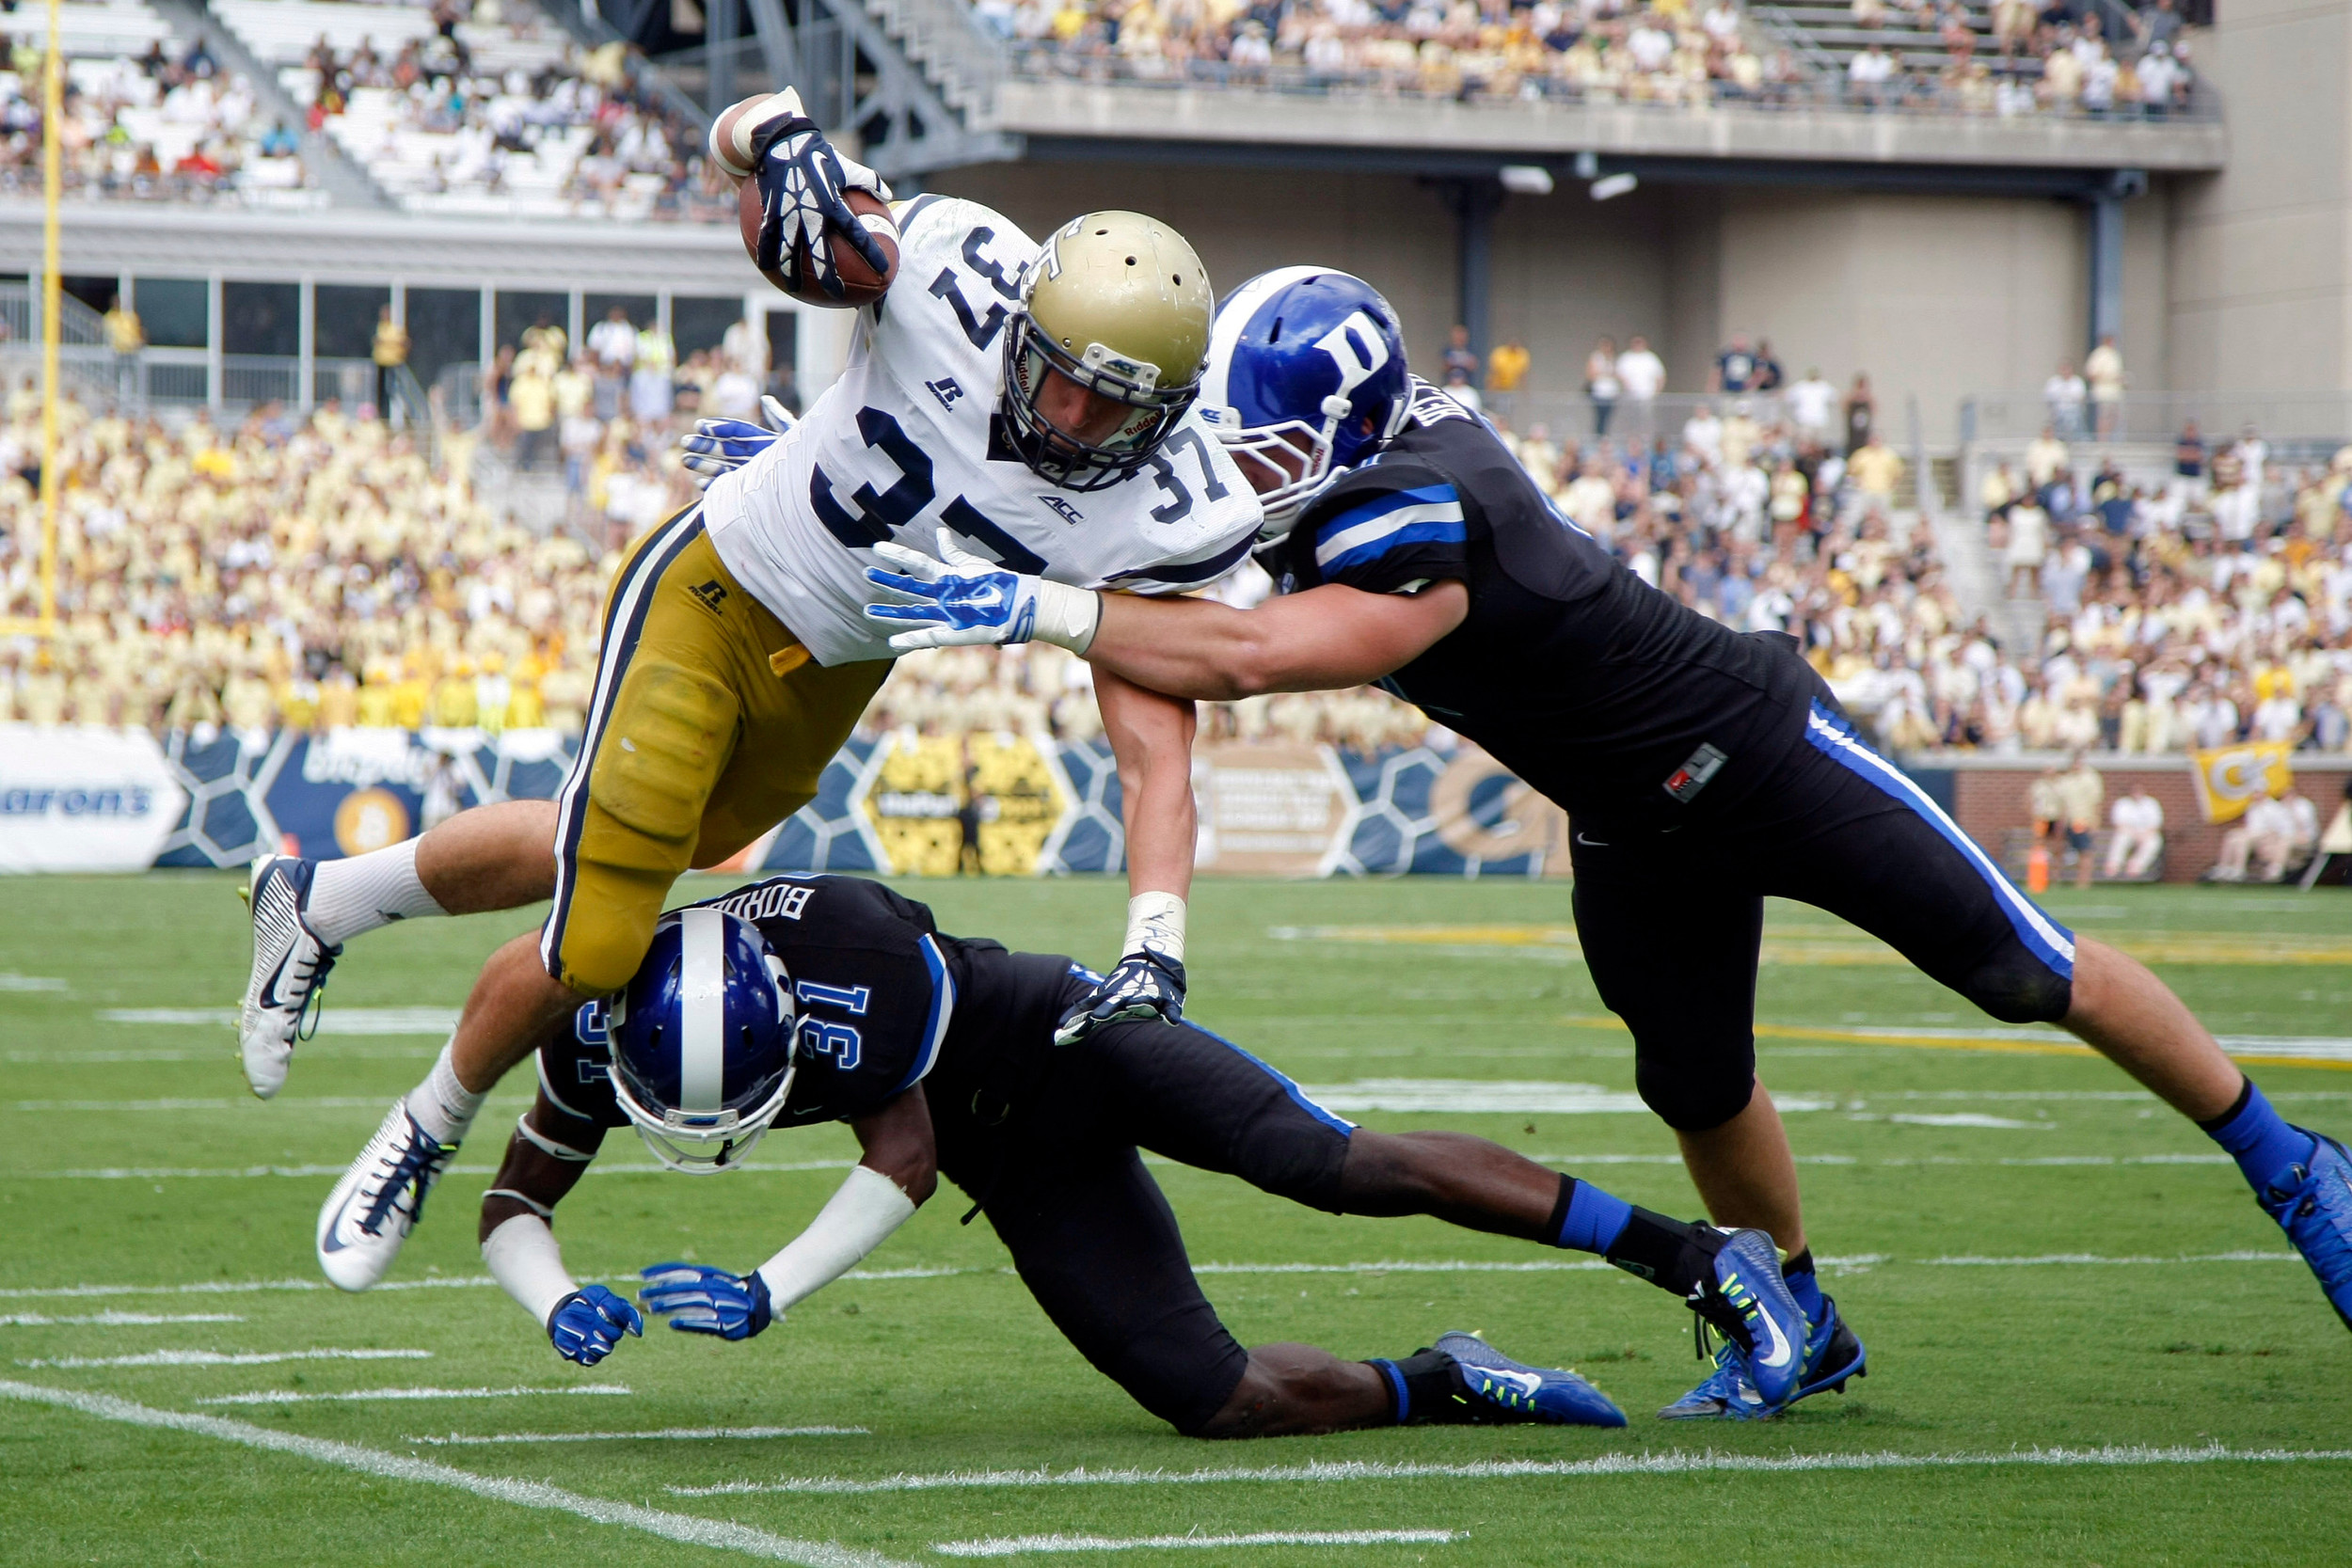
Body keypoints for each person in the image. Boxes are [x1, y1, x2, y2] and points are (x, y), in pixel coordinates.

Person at [859, 266, 2352, 1395]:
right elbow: (1172, 557)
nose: (1242, 468)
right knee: (1694, 1078)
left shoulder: (1421, 511)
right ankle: (1802, 1312)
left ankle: (2293, 1163)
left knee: (2020, 965)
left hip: (1750, 743)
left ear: (1347, 431)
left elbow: (1248, 653)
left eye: (1270, 445)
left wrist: (1032, 606)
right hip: (1630, 815)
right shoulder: (1340, 456)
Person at [262, 95, 1264, 1294]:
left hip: (838, 662)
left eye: (1115, 407)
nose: (1074, 419)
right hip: (719, 587)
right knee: (601, 934)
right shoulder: (949, 266)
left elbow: (1157, 736)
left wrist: (1157, 935)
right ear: (1022, 327)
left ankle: (319, 900)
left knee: (652, 842)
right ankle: (424, 1124)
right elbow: (750, 138)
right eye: (1059, 381)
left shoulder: (1176, 503)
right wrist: (780, 146)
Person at [466, 876, 1816, 1427]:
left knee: (1327, 1163)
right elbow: (513, 1196)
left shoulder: (852, 955)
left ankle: (1699, 1255)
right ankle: (1448, 1380)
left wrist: (768, 1286)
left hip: (1065, 1038)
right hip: (1017, 1157)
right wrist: (551, 1292)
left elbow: (903, 1155)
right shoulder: (591, 1017)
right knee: (1208, 1395)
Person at [2053, 749, 2104, 889]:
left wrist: (2095, 823)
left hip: (2083, 820)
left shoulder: (2090, 778)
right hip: (2069, 820)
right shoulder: (2066, 780)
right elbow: (2062, 803)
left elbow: (2096, 803)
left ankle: (2083, 882)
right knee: (2059, 851)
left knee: (2085, 852)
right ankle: (2056, 880)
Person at [2105, 783, 2164, 880]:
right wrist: (2134, 834)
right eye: (2134, 791)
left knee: (2154, 842)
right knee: (2121, 838)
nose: (2137, 794)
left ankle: (2136, 866)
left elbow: (2156, 824)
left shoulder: (2151, 803)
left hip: (2146, 833)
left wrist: (2144, 835)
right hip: (2128, 831)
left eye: (2139, 791)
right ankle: (2114, 864)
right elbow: (2119, 823)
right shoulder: (2122, 803)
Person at [1614, 334, 1665, 440]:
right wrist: (1626, 386)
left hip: (1647, 396)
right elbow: (1618, 373)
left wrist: (1656, 392)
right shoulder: (1626, 357)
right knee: (1630, 420)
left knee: (1646, 421)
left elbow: (1660, 376)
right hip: (1631, 396)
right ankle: (1631, 439)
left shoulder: (1651, 358)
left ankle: (1646, 439)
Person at [103, 294, 144, 405]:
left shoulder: (129, 317)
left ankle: (132, 397)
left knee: (131, 376)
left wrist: (137, 342)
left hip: (130, 351)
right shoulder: (110, 317)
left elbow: (137, 331)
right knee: (115, 377)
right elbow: (106, 333)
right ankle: (115, 397)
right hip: (117, 352)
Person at [371, 305, 408, 421]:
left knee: (394, 390)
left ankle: (402, 414)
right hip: (381, 362)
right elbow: (375, 341)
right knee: (381, 391)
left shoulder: (396, 328)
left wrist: (386, 343)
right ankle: (382, 414)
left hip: (393, 362)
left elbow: (404, 343)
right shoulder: (379, 327)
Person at [2085, 334, 2124, 440]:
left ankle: (2108, 438)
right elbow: (2091, 374)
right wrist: (2108, 377)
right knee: (2103, 417)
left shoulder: (2115, 355)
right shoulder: (2099, 355)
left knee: (2114, 418)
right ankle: (2101, 439)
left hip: (2114, 392)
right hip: (2103, 392)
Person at [1582, 336, 1618, 437]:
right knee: (1599, 416)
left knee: (1608, 417)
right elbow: (1591, 374)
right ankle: (1598, 436)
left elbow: (1617, 374)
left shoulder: (1613, 358)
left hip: (1611, 392)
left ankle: (1605, 436)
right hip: (1599, 391)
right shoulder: (1596, 357)